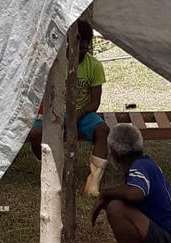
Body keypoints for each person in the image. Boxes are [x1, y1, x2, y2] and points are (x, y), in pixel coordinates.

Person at [84, 124, 171, 243]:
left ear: (114, 155)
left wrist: (104, 194)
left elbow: (136, 193)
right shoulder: (139, 168)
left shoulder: (142, 165)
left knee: (115, 207)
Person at [28, 20, 110, 196]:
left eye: (83, 44)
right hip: (55, 112)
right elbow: (41, 93)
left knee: (103, 130)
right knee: (34, 134)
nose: (79, 48)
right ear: (66, 42)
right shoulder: (54, 63)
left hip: (82, 113)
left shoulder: (94, 66)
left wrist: (79, 113)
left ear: (88, 45)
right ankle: (51, 169)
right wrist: (52, 113)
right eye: (75, 43)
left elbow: (95, 102)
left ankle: (94, 180)